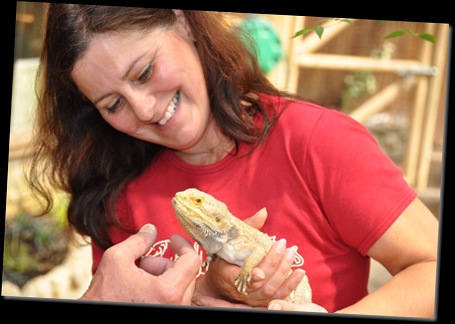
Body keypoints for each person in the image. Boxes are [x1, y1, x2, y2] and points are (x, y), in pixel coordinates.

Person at [27, 4, 439, 318]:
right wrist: (212, 286)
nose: (145, 109)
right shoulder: (112, 186)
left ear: (184, 22)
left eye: (145, 71)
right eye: (113, 103)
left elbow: (431, 267)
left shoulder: (314, 140)